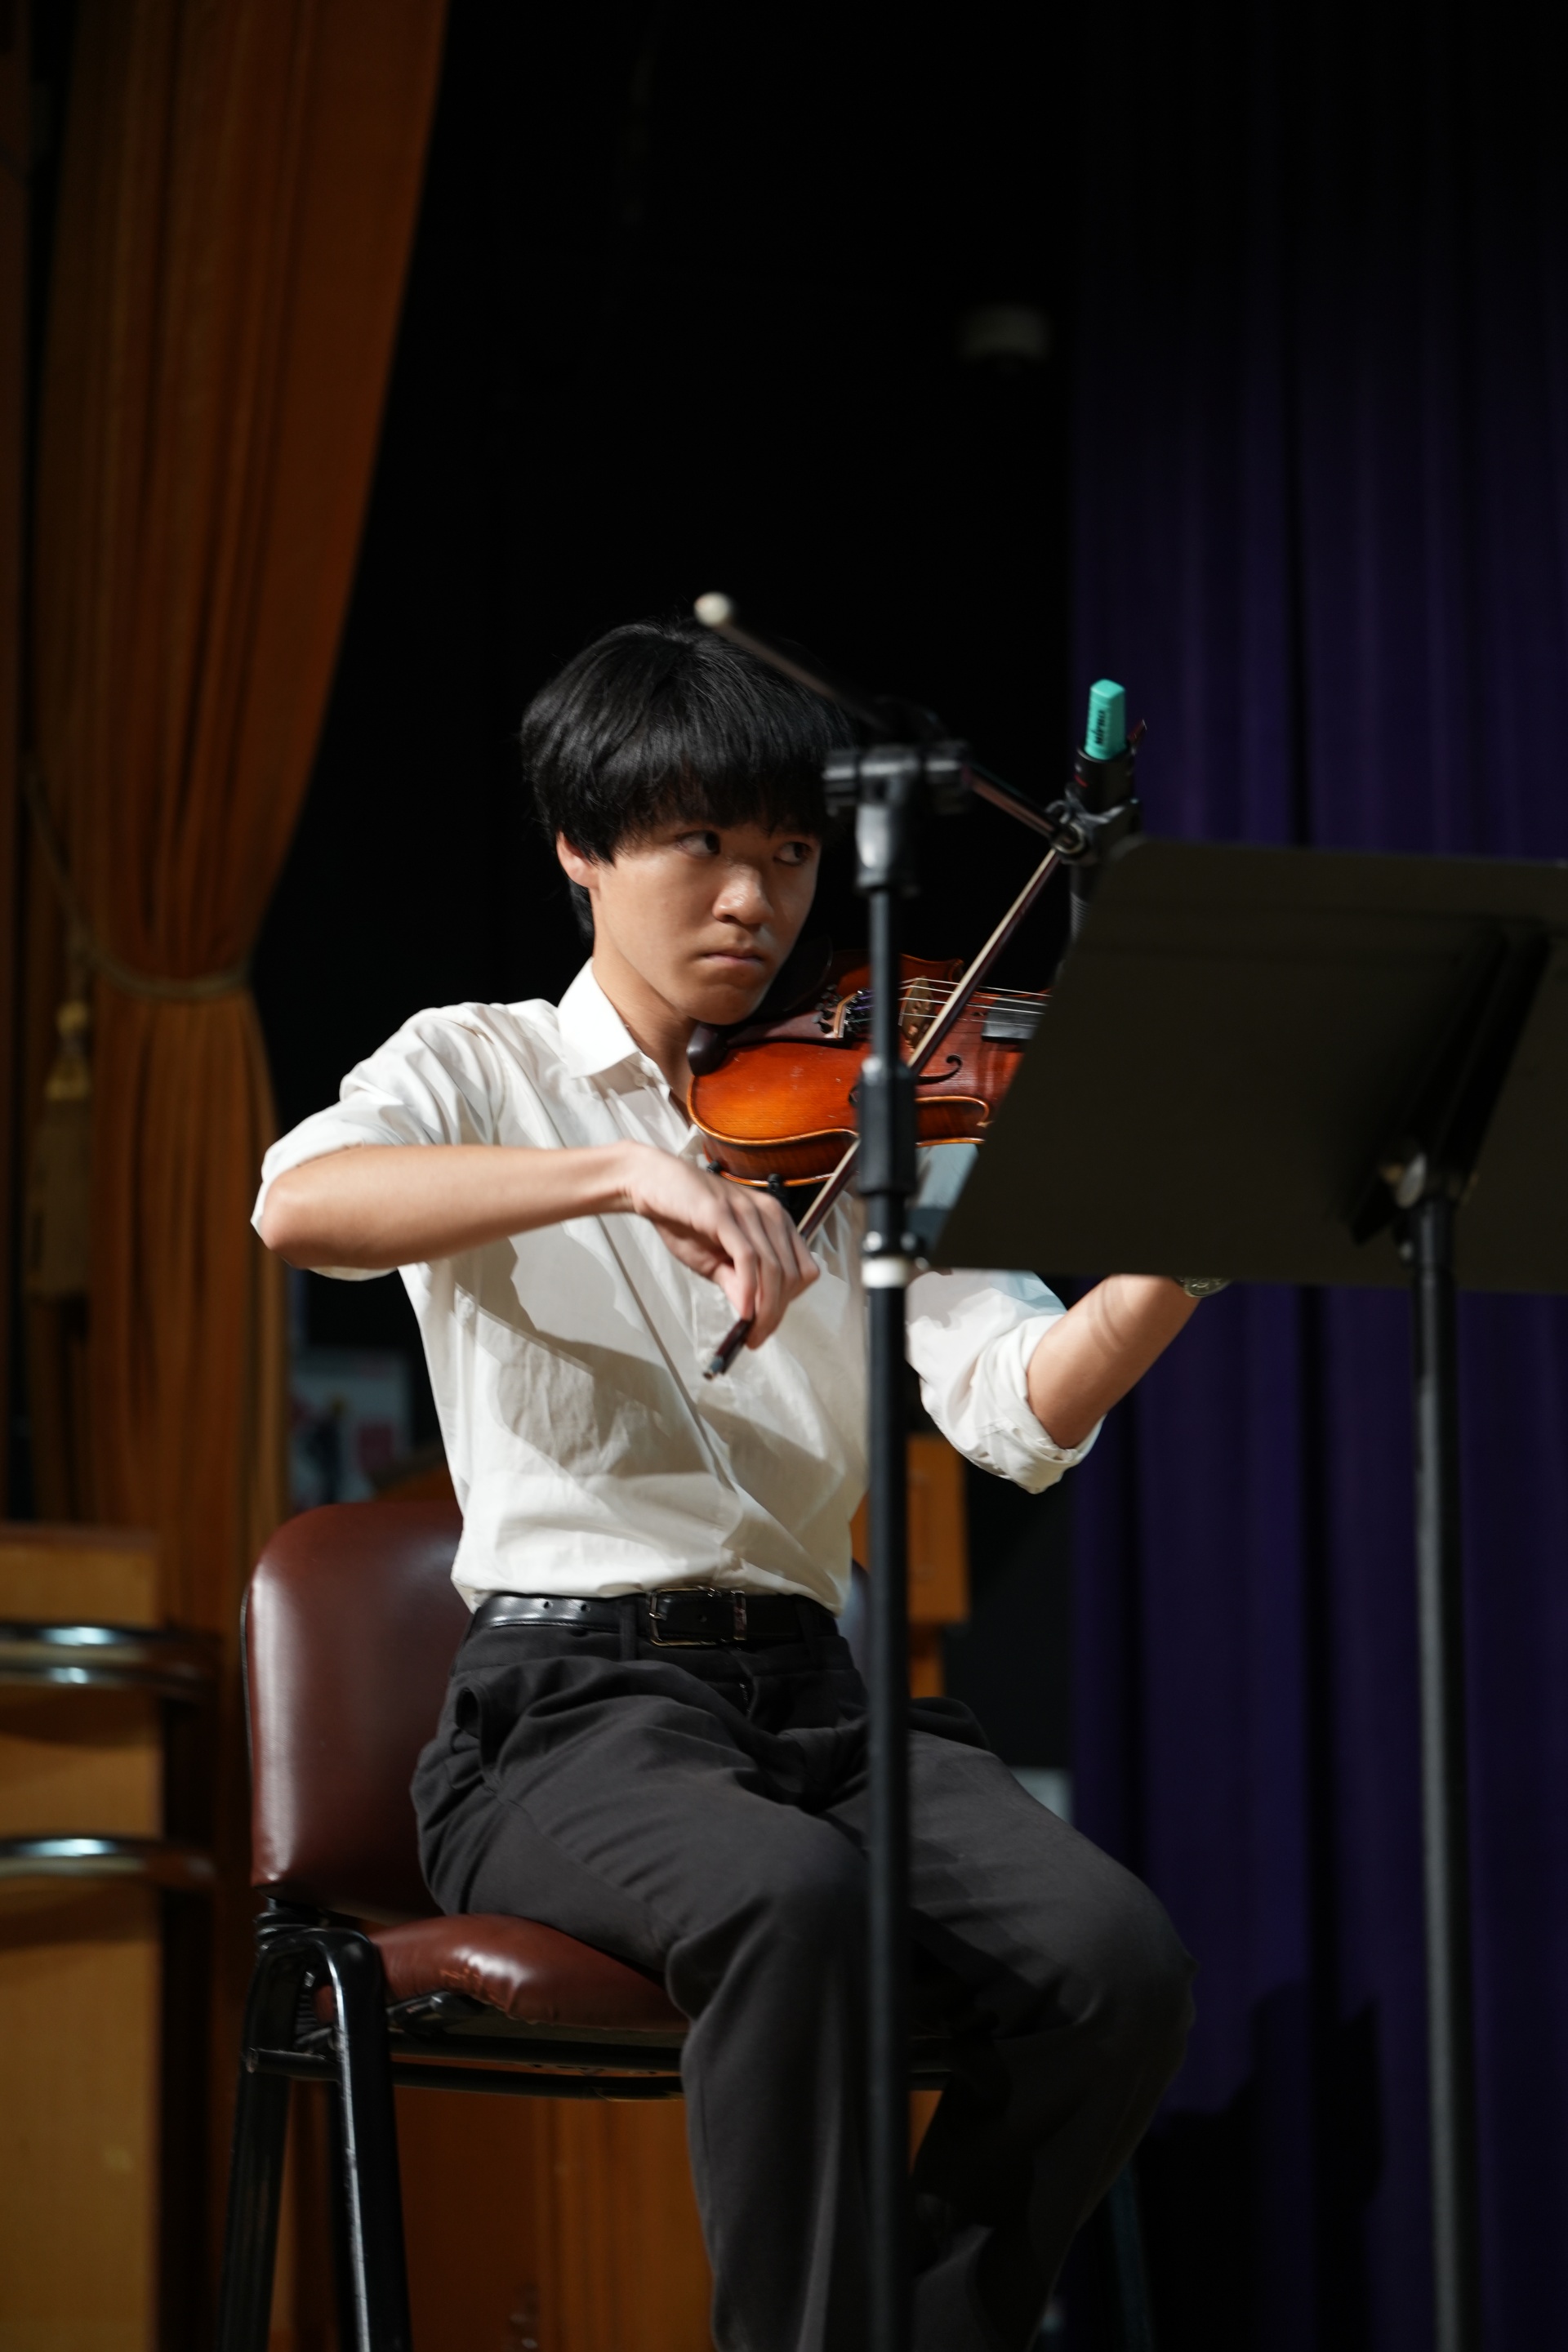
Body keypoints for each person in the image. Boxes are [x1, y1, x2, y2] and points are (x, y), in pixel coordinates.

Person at [255, 615, 1200, 2352]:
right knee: (791, 1902)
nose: (755, 901)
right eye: (702, 845)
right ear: (581, 846)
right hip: (566, 1713)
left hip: (823, 1705)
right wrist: (619, 1174)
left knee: (1112, 1961)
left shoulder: (864, 1105)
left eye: (790, 856)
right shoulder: (480, 1065)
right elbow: (299, 1205)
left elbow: (1018, 1406)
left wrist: (1180, 1263)